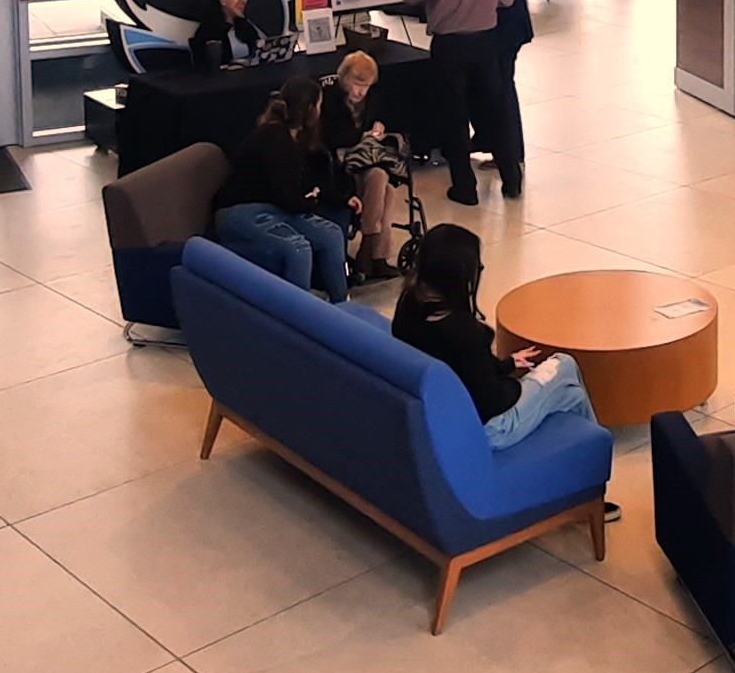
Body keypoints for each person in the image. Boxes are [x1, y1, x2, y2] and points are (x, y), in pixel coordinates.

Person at [390, 227, 613, 509]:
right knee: (564, 366)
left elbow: (458, 367)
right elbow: (493, 401)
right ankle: (594, 490)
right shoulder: (464, 332)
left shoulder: (408, 308)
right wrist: (522, 383)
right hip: (492, 427)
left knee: (574, 396)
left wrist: (505, 364)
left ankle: (587, 486)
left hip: (446, 414)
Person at [398, 0, 518, 204]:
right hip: (486, 42)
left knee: (455, 115)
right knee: (494, 111)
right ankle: (512, 179)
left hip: (451, 45)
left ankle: (465, 188)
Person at [211, 78, 351, 302]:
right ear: (309, 108)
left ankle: (342, 305)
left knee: (331, 234)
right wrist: (312, 199)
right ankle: (298, 316)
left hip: (272, 207)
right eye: (319, 105)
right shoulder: (273, 137)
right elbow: (289, 198)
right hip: (239, 212)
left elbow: (304, 185)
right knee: (298, 248)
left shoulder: (298, 138)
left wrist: (331, 196)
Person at [320, 50, 408, 277]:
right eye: (356, 83)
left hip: (367, 164)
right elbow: (331, 138)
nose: (360, 91)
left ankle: (373, 251)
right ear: (344, 77)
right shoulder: (329, 99)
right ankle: (372, 250)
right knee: (382, 181)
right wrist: (363, 137)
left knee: (384, 185)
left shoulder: (374, 99)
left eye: (366, 86)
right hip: (340, 167)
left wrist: (380, 126)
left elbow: (390, 120)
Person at [469, 0, 535, 171]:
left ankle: (510, 152)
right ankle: (493, 142)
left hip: (505, 32)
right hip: (506, 29)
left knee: (502, 91)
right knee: (495, 89)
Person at [193, 0, 263, 68]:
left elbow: (259, 51)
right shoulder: (207, 31)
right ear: (223, 0)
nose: (243, 1)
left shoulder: (247, 28)